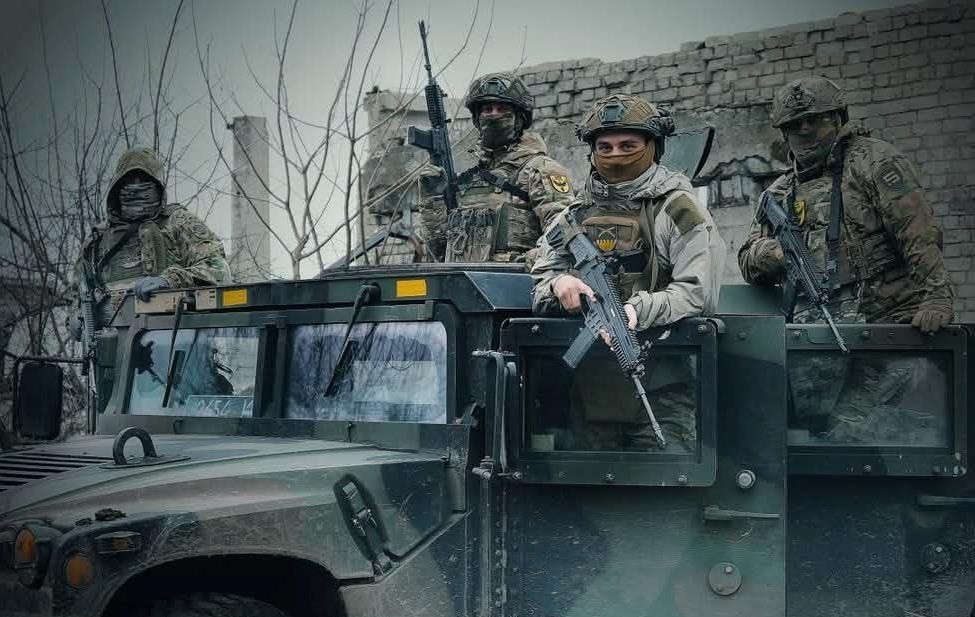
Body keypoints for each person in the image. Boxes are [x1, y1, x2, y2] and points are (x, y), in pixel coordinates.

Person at [738, 76, 956, 442]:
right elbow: (747, 259)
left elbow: (917, 231)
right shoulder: (779, 193)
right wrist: (776, 252)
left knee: (852, 435)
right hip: (815, 344)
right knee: (802, 440)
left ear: (838, 117)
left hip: (885, 332)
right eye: (794, 124)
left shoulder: (873, 161)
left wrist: (936, 295)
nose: (805, 130)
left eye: (815, 119)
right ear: (783, 133)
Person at [531, 94, 726, 450]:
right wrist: (559, 283)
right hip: (590, 391)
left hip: (663, 388)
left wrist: (636, 310)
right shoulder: (574, 215)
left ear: (653, 147)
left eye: (628, 145)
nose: (616, 155)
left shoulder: (677, 209)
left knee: (664, 479)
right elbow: (540, 276)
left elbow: (698, 292)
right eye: (604, 147)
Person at [418, 72, 575, 263]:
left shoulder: (540, 170)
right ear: (477, 118)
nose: (493, 115)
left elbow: (564, 237)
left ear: (520, 118)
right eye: (487, 109)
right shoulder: (467, 180)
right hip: (460, 278)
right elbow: (439, 251)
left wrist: (525, 261)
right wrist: (432, 198)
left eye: (501, 109)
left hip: (514, 279)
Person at [77, 146, 229, 323]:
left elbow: (219, 270)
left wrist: (170, 280)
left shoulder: (178, 223)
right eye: (129, 180)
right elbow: (79, 291)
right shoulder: (98, 240)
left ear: (157, 185)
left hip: (170, 334)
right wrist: (75, 316)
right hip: (110, 338)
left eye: (144, 180)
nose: (136, 185)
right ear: (118, 186)